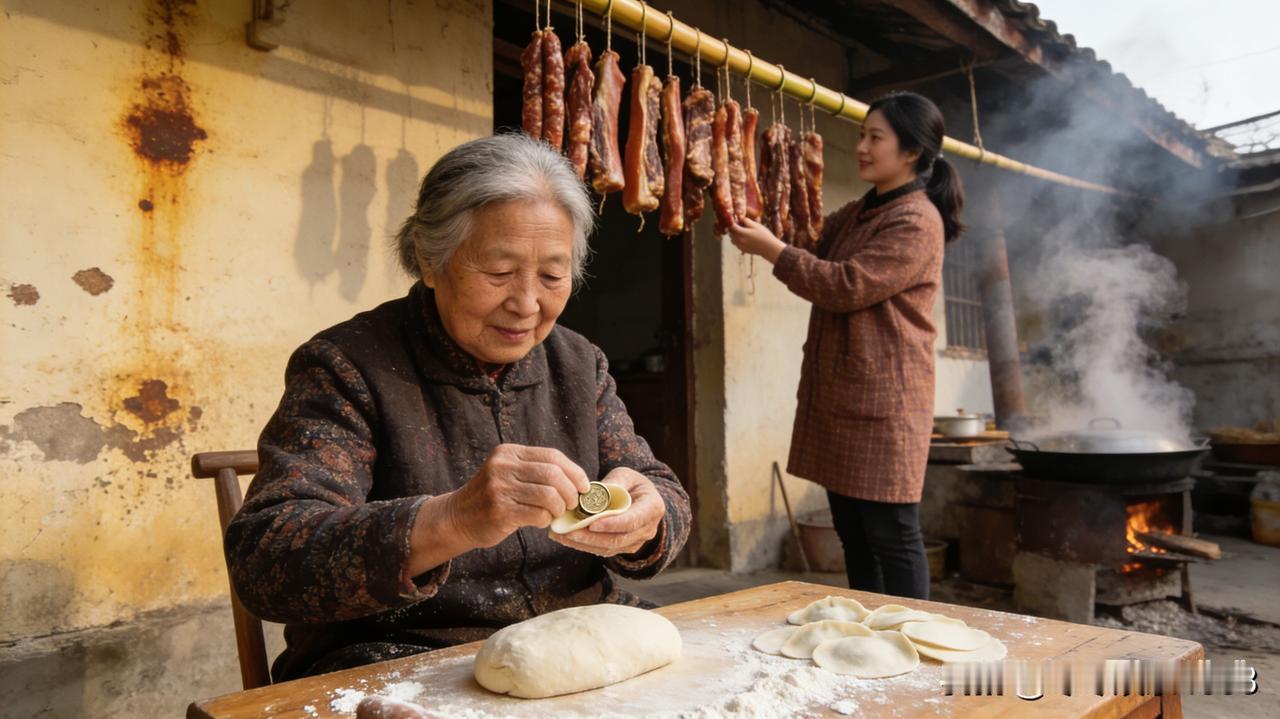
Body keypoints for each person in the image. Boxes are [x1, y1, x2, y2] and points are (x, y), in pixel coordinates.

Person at [225, 133, 691, 681]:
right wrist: (452, 518)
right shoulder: (347, 365)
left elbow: (659, 485)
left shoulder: (578, 362)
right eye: (498, 272)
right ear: (430, 259)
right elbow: (267, 558)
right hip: (401, 656)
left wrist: (650, 514)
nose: (526, 303)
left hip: (578, 634)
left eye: (552, 275)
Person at [726, 91, 965, 599]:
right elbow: (808, 236)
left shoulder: (918, 220)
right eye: (862, 134)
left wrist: (771, 250)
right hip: (845, 400)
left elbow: (846, 285)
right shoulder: (861, 211)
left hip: (886, 406)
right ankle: (869, 632)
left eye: (875, 137)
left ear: (912, 152)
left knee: (893, 535)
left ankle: (911, 636)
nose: (861, 146)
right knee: (854, 534)